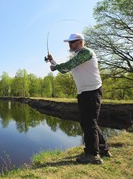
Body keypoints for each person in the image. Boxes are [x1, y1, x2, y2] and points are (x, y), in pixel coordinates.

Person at [47, 33, 111, 165]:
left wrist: (55, 67)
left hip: (92, 92)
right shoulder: (78, 56)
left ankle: (92, 155)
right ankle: (102, 149)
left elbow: (68, 65)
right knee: (90, 122)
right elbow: (65, 69)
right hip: (84, 92)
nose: (70, 45)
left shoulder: (86, 52)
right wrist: (53, 62)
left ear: (81, 42)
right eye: (69, 43)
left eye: (72, 42)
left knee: (88, 123)